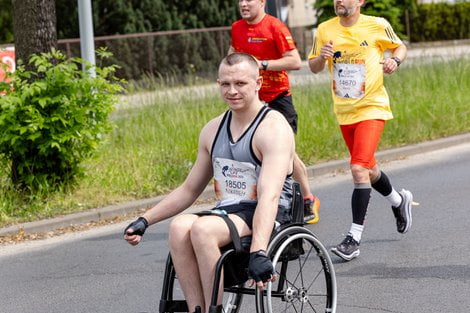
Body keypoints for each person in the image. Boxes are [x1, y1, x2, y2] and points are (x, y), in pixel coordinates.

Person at [124, 53, 296, 313]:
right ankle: (198, 309)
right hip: (229, 209)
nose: (232, 91)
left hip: (269, 208)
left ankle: (214, 310)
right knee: (180, 226)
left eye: (240, 84)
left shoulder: (273, 128)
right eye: (225, 84)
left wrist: (259, 251)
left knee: (203, 229)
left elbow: (270, 196)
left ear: (258, 84)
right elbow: (190, 189)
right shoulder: (213, 129)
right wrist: (145, 220)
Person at [308, 0, 413, 261]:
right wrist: (322, 57)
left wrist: (394, 61)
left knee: (357, 168)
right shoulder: (324, 29)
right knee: (369, 168)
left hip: (372, 107)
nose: (339, 1)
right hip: (344, 111)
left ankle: (353, 239)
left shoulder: (377, 25)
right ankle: (400, 202)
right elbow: (312, 66)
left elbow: (400, 46)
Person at [228, 0, 321, 224]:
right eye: (240, 0)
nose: (243, 4)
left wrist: (263, 64)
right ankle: (257, 200)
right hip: (251, 100)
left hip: (278, 98)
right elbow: (232, 54)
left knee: (287, 153)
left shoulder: (275, 27)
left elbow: (295, 61)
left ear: (262, 2)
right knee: (252, 151)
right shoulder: (237, 28)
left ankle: (308, 199)